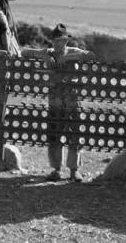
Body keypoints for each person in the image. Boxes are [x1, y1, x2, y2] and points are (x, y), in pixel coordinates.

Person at [22, 23, 95, 182]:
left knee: (75, 135)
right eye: (56, 41)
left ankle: (74, 171)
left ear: (66, 41)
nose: (59, 44)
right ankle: (56, 169)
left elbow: (90, 55)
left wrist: (67, 57)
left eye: (62, 40)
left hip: (72, 100)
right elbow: (25, 52)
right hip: (55, 101)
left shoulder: (73, 51)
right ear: (52, 41)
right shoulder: (48, 52)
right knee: (54, 135)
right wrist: (45, 56)